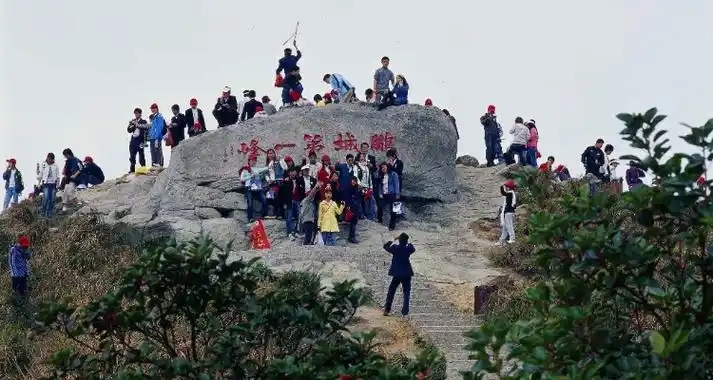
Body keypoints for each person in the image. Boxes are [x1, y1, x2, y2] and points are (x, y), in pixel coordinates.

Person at [382, 233, 415, 317]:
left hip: (396, 273)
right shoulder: (408, 249)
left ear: (399, 240)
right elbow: (412, 248)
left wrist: (393, 240)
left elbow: (385, 246)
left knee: (391, 291)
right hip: (406, 273)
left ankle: (387, 309)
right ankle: (405, 311)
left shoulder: (395, 248)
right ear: (406, 241)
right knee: (406, 291)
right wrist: (407, 242)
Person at [239, 156, 269, 223]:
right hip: (249, 188)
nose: (254, 161)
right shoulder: (245, 169)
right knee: (250, 203)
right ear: (249, 161)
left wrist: (271, 165)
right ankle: (250, 217)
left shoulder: (257, 169)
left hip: (258, 188)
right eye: (252, 160)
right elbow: (241, 179)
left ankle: (263, 215)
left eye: (255, 160)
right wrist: (250, 176)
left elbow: (265, 169)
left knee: (264, 199)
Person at [376, 162, 401, 231]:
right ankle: (379, 220)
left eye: (384, 167)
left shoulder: (393, 174)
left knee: (393, 211)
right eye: (382, 168)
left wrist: (397, 194)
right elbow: (380, 186)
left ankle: (392, 226)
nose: (383, 169)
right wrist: (380, 193)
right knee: (380, 206)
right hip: (384, 194)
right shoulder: (381, 175)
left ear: (387, 167)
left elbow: (397, 184)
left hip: (392, 194)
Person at [8, 235, 33, 301]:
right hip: (16, 274)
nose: (25, 247)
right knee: (15, 290)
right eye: (24, 246)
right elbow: (12, 263)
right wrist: (16, 274)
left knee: (22, 290)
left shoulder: (24, 250)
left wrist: (26, 254)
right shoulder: (14, 250)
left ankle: (23, 303)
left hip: (23, 273)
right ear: (20, 244)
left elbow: (27, 259)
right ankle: (15, 303)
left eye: (26, 246)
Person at [37, 152, 60, 217]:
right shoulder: (43, 164)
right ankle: (43, 211)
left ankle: (49, 212)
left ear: (53, 159)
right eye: (48, 158)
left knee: (52, 198)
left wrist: (58, 184)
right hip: (46, 183)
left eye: (50, 159)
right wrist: (39, 183)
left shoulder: (56, 166)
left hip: (53, 184)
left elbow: (58, 176)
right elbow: (40, 174)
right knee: (46, 197)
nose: (49, 160)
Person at [127, 107, 148, 173]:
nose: (136, 115)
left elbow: (145, 128)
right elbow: (129, 130)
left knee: (141, 155)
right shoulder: (133, 121)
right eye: (135, 113)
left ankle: (143, 168)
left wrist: (137, 124)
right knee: (132, 155)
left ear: (140, 114)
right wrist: (131, 124)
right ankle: (132, 169)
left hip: (140, 140)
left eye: (137, 113)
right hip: (133, 140)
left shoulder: (143, 121)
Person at [344, 176, 363, 243]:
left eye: (355, 181)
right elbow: (347, 198)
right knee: (352, 223)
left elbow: (360, 197)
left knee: (354, 223)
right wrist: (348, 206)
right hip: (351, 207)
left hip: (356, 207)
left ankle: (351, 237)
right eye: (352, 180)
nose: (353, 182)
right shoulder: (348, 188)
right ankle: (352, 237)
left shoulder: (357, 188)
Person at [498, 179, 517, 245]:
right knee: (505, 228)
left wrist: (501, 187)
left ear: (509, 187)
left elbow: (503, 193)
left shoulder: (510, 193)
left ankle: (512, 239)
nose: (506, 187)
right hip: (509, 212)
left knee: (509, 226)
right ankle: (501, 241)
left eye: (507, 186)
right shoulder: (512, 193)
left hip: (508, 212)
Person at [148, 103, 166, 167]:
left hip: (157, 138)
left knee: (158, 151)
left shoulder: (159, 116)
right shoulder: (153, 117)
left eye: (154, 108)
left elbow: (159, 127)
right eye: (152, 109)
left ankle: (159, 164)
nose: (152, 110)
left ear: (157, 109)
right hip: (152, 138)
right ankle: (154, 164)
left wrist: (157, 138)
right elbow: (152, 128)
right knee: (153, 152)